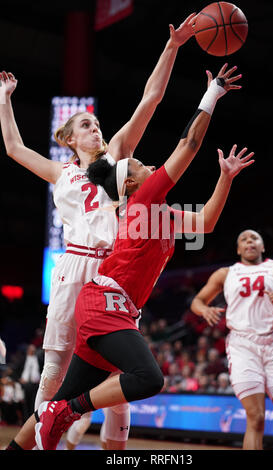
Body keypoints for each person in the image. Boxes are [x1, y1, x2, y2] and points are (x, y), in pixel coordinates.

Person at [6, 62, 253, 451]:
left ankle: (36, 437)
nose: (147, 162)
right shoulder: (134, 193)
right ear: (133, 180)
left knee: (105, 387)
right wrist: (212, 93)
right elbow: (187, 145)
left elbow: (204, 220)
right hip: (92, 282)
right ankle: (57, 426)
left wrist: (225, 177)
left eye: (95, 124)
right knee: (110, 377)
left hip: (114, 293)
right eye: (85, 125)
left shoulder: (152, 208)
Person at [0, 13, 198, 450]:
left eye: (96, 123)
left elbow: (151, 99)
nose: (95, 127)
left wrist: (174, 47)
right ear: (70, 139)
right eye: (85, 125)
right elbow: (13, 148)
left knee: (121, 384)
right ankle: (33, 445)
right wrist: (4, 96)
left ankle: (109, 452)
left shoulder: (118, 160)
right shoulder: (60, 173)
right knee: (54, 376)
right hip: (74, 269)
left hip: (112, 272)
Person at [190, 229, 273, 450]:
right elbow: (198, 300)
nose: (249, 241)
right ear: (239, 249)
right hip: (243, 346)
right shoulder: (225, 273)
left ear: (262, 247)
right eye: (244, 239)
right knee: (256, 417)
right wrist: (204, 310)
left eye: (254, 238)